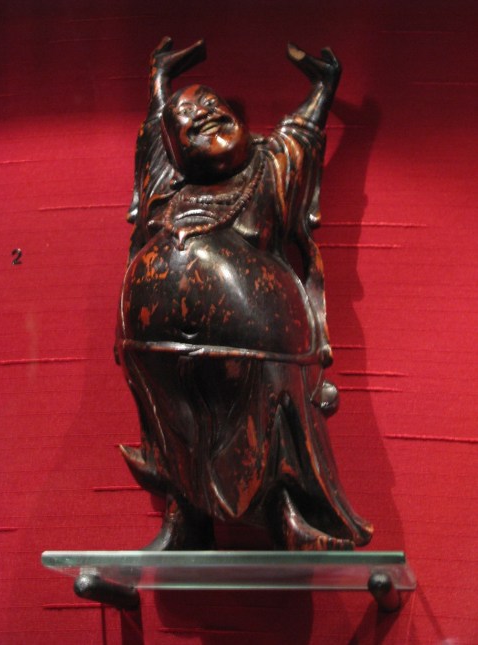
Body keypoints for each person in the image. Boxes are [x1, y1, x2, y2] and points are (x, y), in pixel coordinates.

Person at [115, 37, 373, 550]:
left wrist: (323, 89)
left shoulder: (264, 173)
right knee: (175, 431)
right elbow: (154, 135)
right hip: (155, 349)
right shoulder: (168, 186)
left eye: (216, 108)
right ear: (173, 147)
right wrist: (158, 82)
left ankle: (287, 512)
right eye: (190, 119)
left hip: (257, 343)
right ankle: (185, 520)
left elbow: (299, 136)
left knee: (271, 426)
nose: (206, 114)